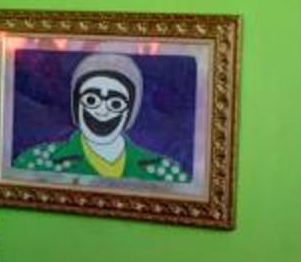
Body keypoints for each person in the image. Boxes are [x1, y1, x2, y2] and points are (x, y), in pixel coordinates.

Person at [11, 53, 190, 182]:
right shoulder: (35, 161)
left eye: (115, 103)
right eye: (91, 100)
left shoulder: (164, 171)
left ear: (130, 112)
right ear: (76, 105)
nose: (102, 110)